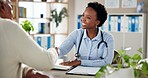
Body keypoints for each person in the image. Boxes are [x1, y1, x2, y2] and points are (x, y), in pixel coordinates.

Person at [0, 0, 58, 78]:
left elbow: (6, 64)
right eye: (10, 9)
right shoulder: (8, 26)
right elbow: (46, 62)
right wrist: (54, 51)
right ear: (1, 7)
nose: (12, 16)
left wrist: (27, 71)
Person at [56, 2, 114, 67]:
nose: (83, 19)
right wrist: (54, 52)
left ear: (97, 22)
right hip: (78, 72)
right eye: (83, 15)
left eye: (88, 18)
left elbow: (107, 62)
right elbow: (62, 50)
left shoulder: (108, 38)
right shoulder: (77, 34)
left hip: (98, 74)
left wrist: (80, 62)